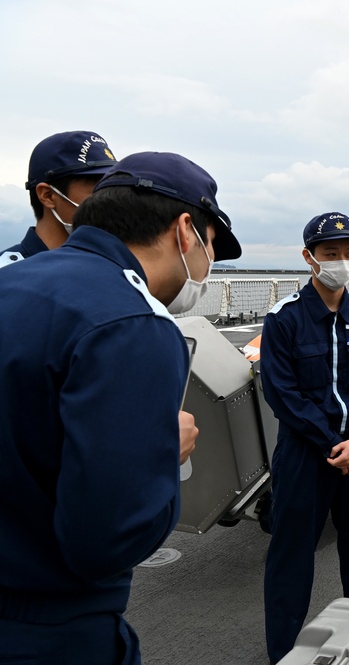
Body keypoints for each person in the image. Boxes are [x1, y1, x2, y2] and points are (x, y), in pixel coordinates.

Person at [0, 151, 242, 664]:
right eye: (212, 244)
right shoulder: (132, 325)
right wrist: (157, 453)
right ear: (185, 230)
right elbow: (105, 540)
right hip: (47, 629)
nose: (207, 263)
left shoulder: (13, 283)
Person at [260, 212, 349, 664]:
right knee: (291, 554)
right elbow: (282, 393)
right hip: (305, 455)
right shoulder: (284, 320)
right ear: (309, 258)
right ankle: (283, 650)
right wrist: (330, 443)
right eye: (331, 253)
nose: (342, 261)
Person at [2, 130, 117, 266]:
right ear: (48, 196)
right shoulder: (7, 275)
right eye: (98, 192)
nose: (109, 202)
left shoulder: (115, 270)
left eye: (112, 190)